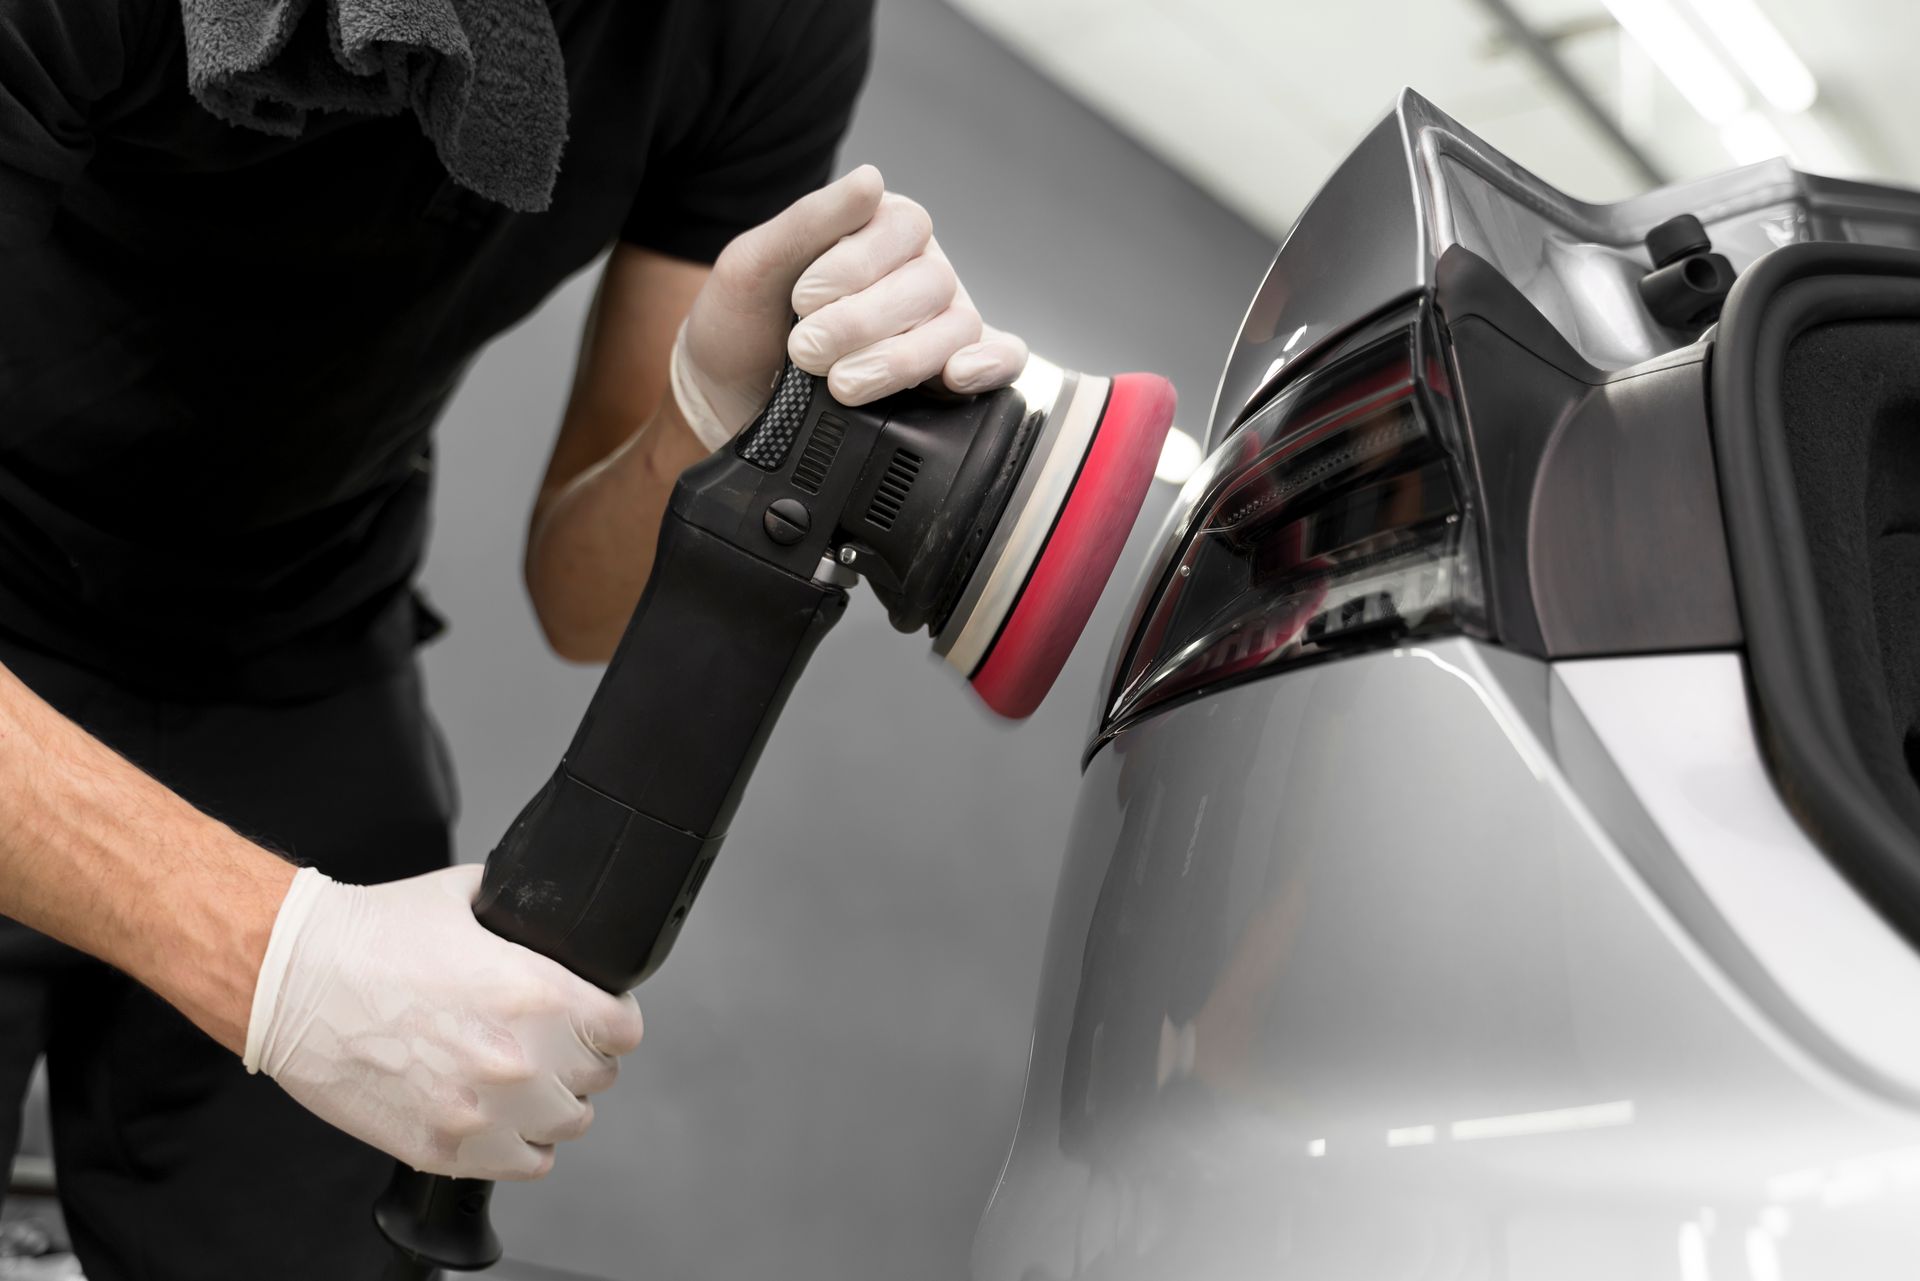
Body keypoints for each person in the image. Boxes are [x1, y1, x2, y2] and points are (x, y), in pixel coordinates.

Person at [0, 0, 1026, 1275]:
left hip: (290, 627)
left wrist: (712, 421)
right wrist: (282, 962)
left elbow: (581, 595)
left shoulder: (770, 25)